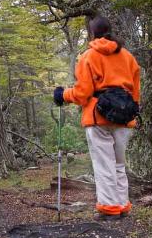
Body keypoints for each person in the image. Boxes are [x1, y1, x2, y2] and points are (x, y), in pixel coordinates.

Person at [53, 16, 140, 220]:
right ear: (110, 30)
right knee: (119, 164)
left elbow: (83, 93)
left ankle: (110, 209)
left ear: (92, 33)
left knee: (104, 165)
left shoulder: (88, 57)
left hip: (97, 117)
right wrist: (129, 110)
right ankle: (122, 205)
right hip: (124, 118)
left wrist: (62, 95)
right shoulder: (128, 57)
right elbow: (135, 93)